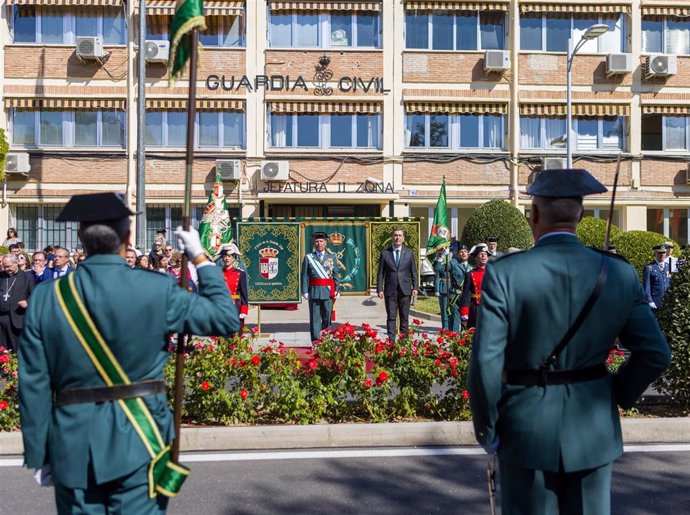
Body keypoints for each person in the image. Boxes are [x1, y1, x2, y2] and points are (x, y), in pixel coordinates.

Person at [18, 192, 239, 515]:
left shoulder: (47, 297)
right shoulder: (156, 288)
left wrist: (39, 452)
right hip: (141, 439)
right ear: (127, 237)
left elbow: (34, 382)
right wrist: (200, 256)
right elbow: (225, 319)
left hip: (72, 445)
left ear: (81, 238)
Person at [468, 169, 670, 515]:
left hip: (524, 428)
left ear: (533, 215)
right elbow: (655, 354)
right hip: (592, 428)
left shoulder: (505, 273)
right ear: (580, 214)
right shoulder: (618, 272)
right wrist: (614, 394)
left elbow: (486, 363)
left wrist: (487, 429)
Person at [376, 227, 419, 342]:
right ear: (392, 237)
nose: (397, 238)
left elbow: (413, 271)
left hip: (405, 290)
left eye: (400, 235)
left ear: (403, 238)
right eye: (395, 235)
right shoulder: (385, 253)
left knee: (404, 317)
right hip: (390, 290)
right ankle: (391, 341)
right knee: (391, 317)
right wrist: (379, 288)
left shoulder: (409, 253)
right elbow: (380, 273)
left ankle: (403, 341)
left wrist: (415, 287)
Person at [301, 232, 340, 343]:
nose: (319, 243)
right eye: (317, 241)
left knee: (327, 317)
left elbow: (336, 274)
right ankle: (316, 341)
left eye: (321, 241)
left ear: (326, 243)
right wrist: (304, 290)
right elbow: (304, 275)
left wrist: (337, 288)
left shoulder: (332, 257)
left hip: (328, 292)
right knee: (315, 318)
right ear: (314, 243)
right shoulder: (309, 257)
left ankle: (326, 340)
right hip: (314, 291)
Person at [0, 254, 35, 352]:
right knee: (2, 348)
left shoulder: (27, 277)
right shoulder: (1, 276)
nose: (6, 269)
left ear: (16, 263)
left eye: (9, 266)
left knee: (16, 348)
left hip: (16, 317)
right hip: (1, 317)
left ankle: (16, 367)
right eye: (4, 266)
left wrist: (28, 302)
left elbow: (35, 296)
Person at [220, 243, 249, 335]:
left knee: (235, 337)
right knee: (222, 338)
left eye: (229, 256)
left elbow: (244, 294)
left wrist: (244, 310)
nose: (227, 258)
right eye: (225, 256)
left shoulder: (240, 273)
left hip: (235, 307)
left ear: (233, 258)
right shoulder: (217, 273)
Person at [460, 243, 489, 329]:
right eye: (481, 254)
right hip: (476, 307)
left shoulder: (493, 272)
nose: (483, 256)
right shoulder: (470, 274)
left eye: (485, 254)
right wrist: (465, 311)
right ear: (476, 258)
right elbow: (466, 294)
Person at [643, 244, 671, 317]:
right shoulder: (649, 267)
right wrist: (650, 301)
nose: (662, 255)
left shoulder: (668, 266)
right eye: (659, 253)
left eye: (663, 252)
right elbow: (647, 286)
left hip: (668, 302)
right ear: (655, 253)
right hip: (655, 301)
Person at [448, 244, 471, 332]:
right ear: (458, 254)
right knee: (455, 320)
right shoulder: (453, 263)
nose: (463, 253)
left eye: (465, 252)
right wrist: (441, 258)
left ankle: (464, 340)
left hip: (466, 297)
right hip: (455, 296)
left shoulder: (471, 267)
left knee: (465, 320)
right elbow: (442, 269)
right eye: (461, 252)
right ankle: (454, 340)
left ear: (468, 253)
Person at [433, 247, 452, 330]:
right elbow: (437, 274)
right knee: (444, 310)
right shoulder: (440, 262)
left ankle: (452, 327)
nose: (449, 253)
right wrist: (437, 289)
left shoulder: (453, 262)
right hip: (443, 287)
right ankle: (445, 328)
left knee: (453, 309)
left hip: (453, 288)